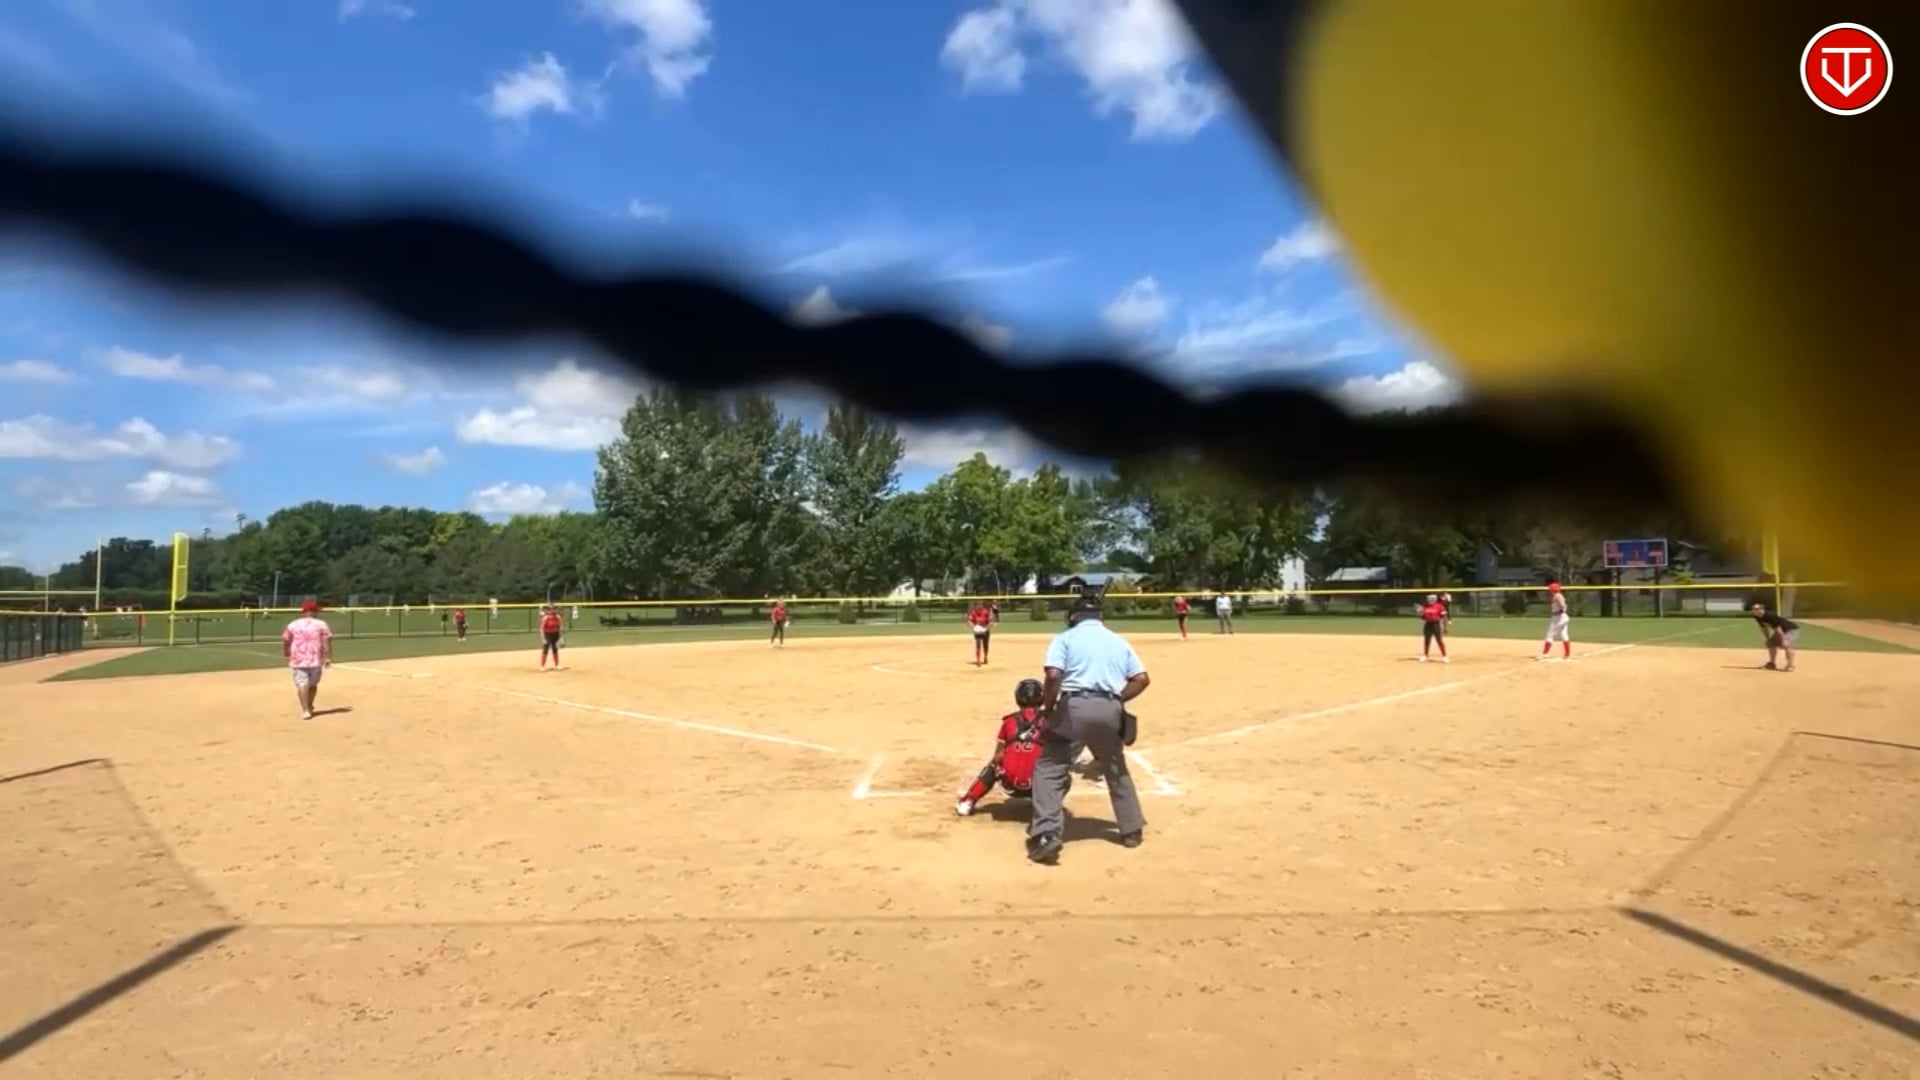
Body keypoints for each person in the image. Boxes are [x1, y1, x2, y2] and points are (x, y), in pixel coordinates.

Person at [1026, 592, 1150, 865]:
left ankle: (1046, 834)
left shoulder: (1066, 638)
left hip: (1074, 707)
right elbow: (1141, 679)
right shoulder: (1118, 641)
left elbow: (1053, 675)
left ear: (1073, 617)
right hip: (1110, 709)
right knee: (1115, 767)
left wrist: (1048, 706)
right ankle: (1131, 830)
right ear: (1100, 616)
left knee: (1049, 768)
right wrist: (1116, 700)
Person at [955, 678, 1046, 817]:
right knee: (1059, 768)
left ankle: (968, 801)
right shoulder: (1049, 721)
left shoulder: (1009, 721)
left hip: (1009, 786)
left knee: (994, 764)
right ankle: (1046, 807)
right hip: (1038, 787)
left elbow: (998, 755)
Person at [281, 600, 333, 720]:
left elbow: (286, 640)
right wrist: (327, 657)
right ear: (313, 612)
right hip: (316, 659)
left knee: (302, 683)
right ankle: (309, 705)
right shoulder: (321, 624)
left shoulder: (293, 624)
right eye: (316, 611)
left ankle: (306, 710)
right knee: (313, 685)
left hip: (298, 658)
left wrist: (286, 653)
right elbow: (326, 642)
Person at [1751, 601, 1798, 671]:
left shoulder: (1770, 616)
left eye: (1757, 609)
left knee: (1786, 645)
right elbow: (1764, 628)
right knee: (1771, 643)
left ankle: (1790, 665)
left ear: (1762, 609)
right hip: (1780, 630)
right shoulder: (1758, 617)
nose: (1755, 610)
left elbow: (1778, 628)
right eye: (1753, 609)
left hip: (1790, 629)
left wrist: (1784, 639)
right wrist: (1767, 639)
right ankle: (1772, 664)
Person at [1539, 579, 1571, 660]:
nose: (1549, 591)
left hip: (1558, 618)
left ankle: (1545, 653)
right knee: (1564, 634)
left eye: (1550, 589)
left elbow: (1563, 605)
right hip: (1562, 617)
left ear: (1553, 590)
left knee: (1550, 635)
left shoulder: (1557, 596)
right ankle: (1567, 654)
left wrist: (1563, 609)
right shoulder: (1558, 595)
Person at [1419, 593, 1449, 663]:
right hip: (1428, 625)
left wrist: (1445, 627)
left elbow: (1444, 617)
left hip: (1436, 625)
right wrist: (1420, 613)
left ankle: (1444, 656)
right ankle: (1425, 655)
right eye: (1429, 599)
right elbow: (1423, 618)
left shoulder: (1440, 606)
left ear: (1435, 599)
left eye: (1432, 599)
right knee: (1427, 640)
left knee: (1439, 641)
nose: (1430, 600)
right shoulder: (1425, 606)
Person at [968, 601, 994, 666]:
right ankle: (978, 660)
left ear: (982, 606)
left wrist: (985, 629)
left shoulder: (986, 612)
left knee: (985, 645)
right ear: (976, 606)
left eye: (980, 605)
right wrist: (974, 627)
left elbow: (991, 622)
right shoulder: (973, 612)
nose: (979, 606)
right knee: (978, 645)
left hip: (985, 630)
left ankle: (985, 656)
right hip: (977, 631)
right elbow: (969, 621)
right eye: (977, 605)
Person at [539, 605, 564, 670]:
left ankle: (557, 665)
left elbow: (560, 627)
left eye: (556, 609)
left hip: (555, 634)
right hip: (547, 634)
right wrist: (543, 638)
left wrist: (561, 637)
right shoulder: (546, 618)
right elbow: (541, 629)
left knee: (555, 649)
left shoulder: (558, 617)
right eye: (553, 609)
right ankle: (542, 666)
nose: (554, 611)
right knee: (545, 649)